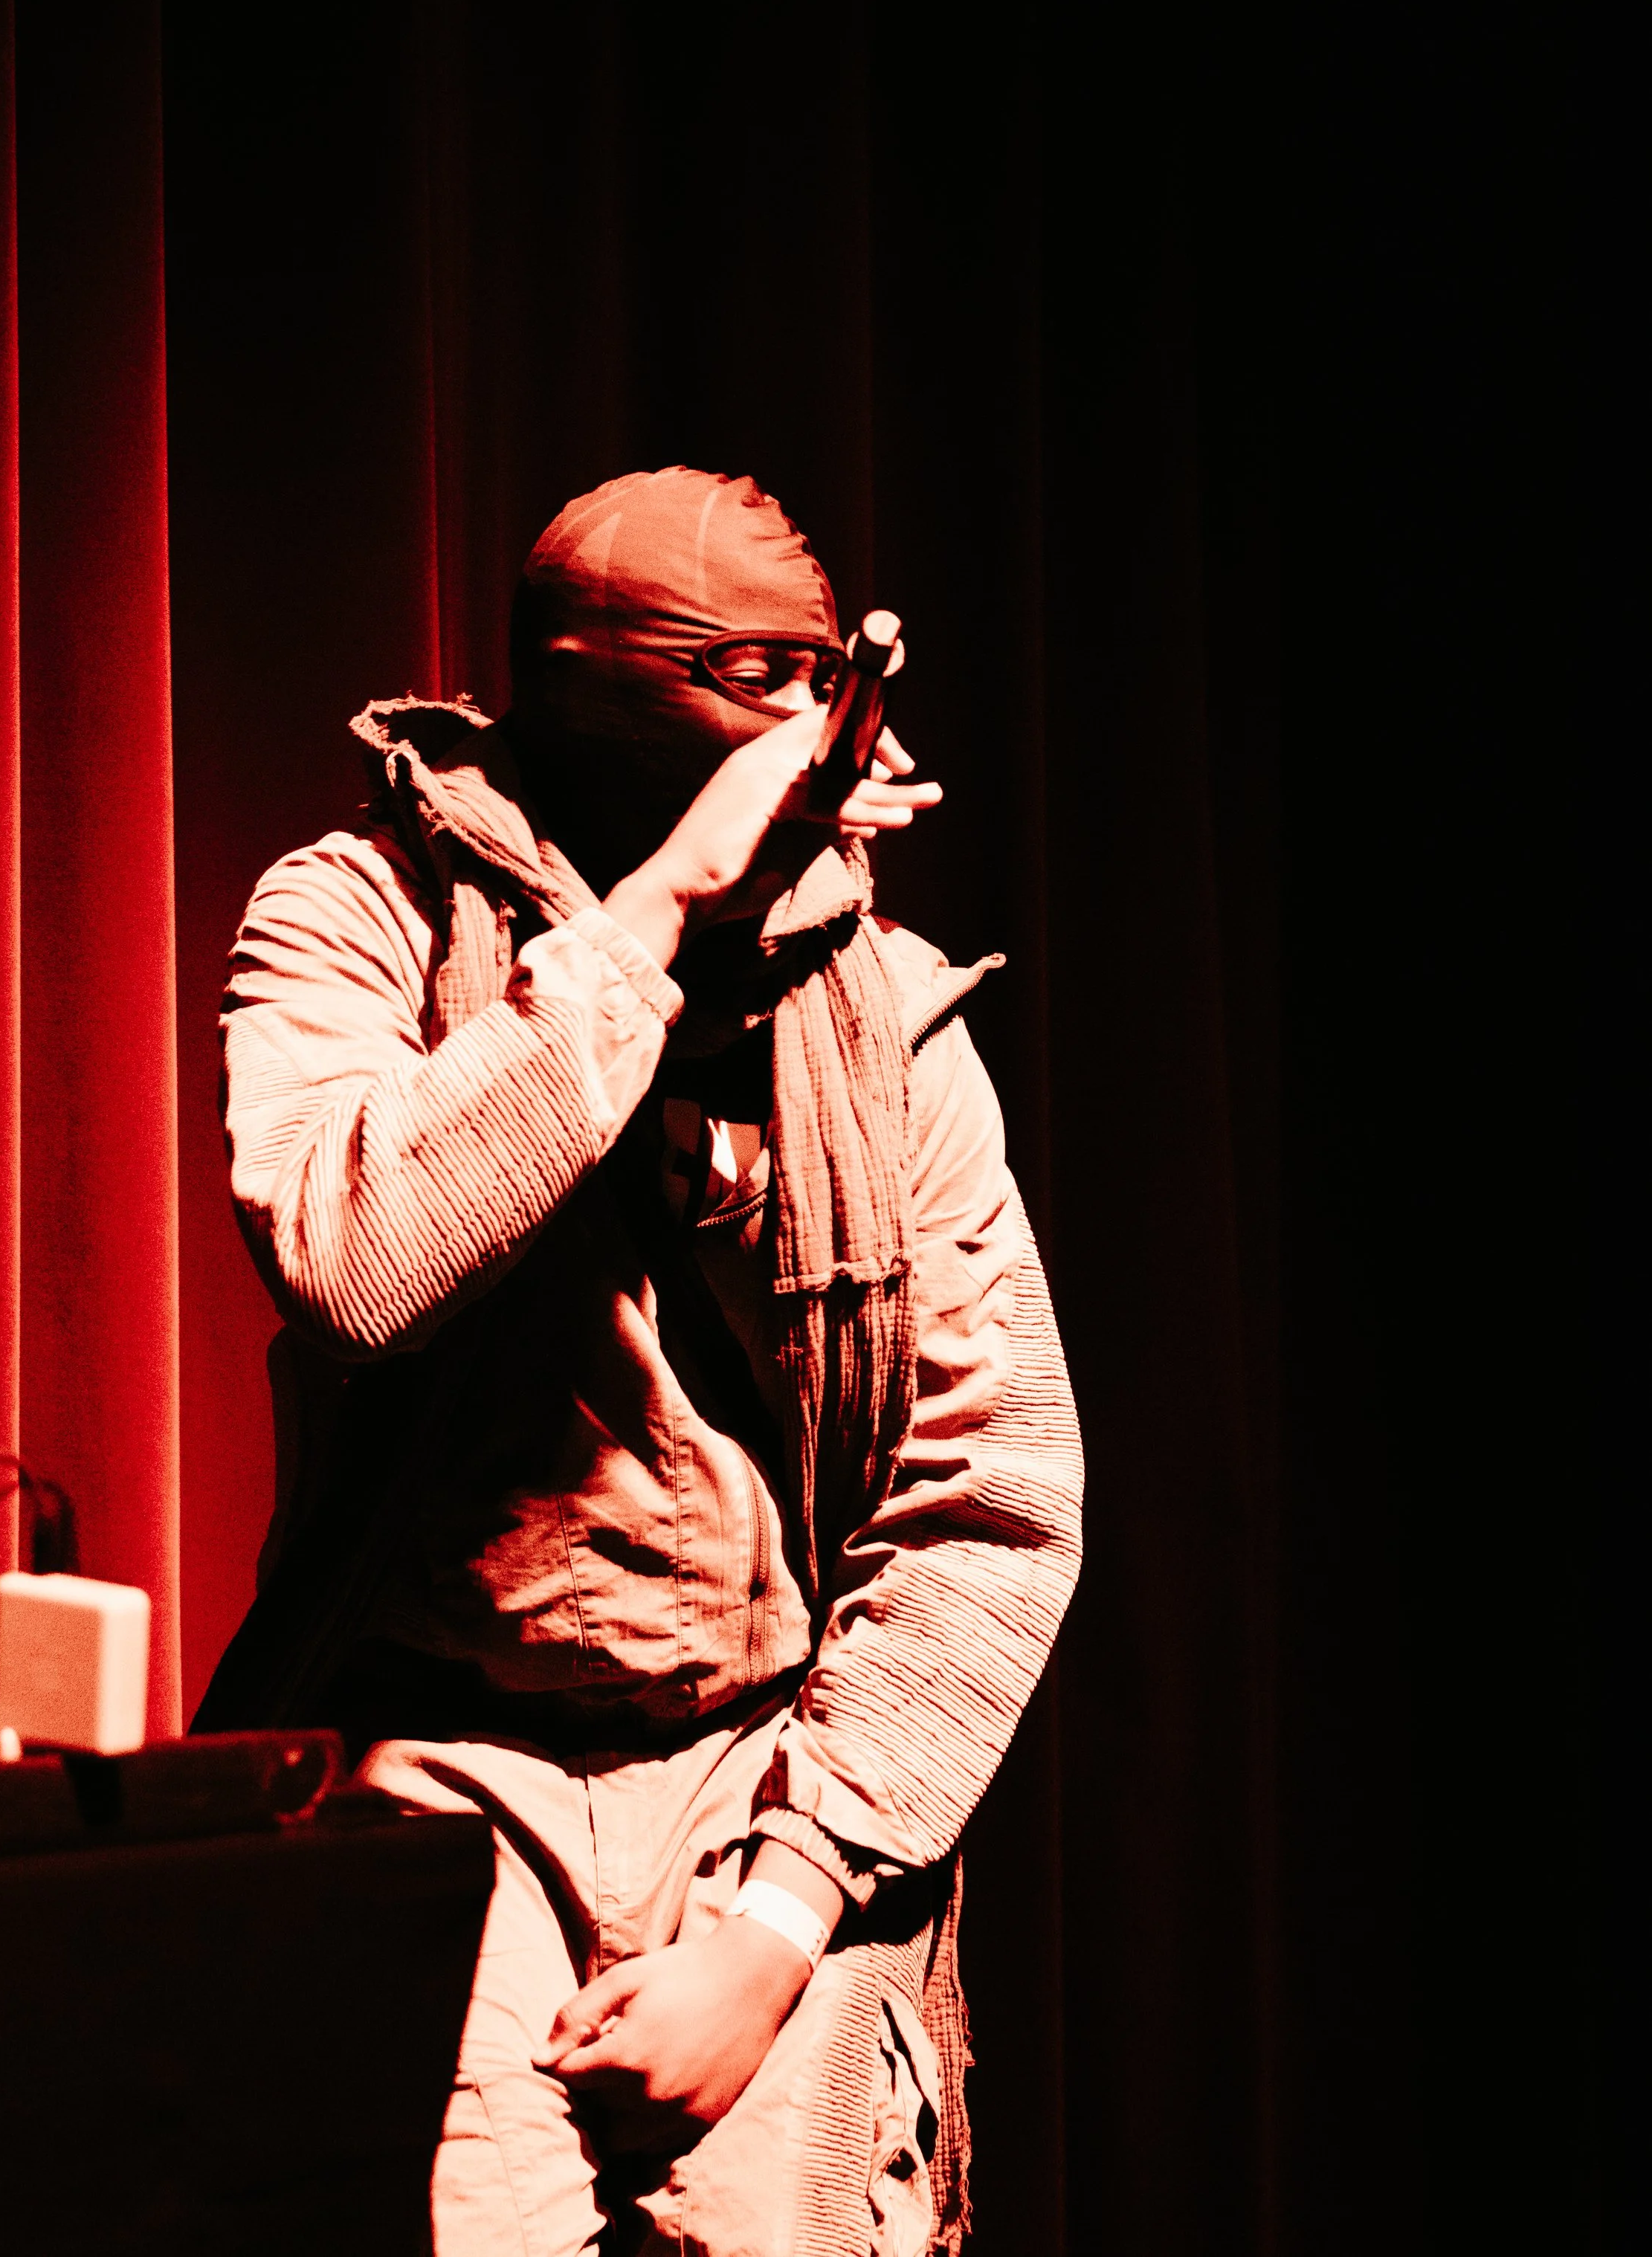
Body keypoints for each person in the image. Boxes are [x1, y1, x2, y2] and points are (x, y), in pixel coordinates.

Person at [195, 468, 1084, 2257]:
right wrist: (661, 909)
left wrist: (774, 1925)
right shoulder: (359, 913)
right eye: (763, 689)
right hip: (441, 1772)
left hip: (767, 1792)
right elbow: (352, 1257)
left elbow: (988, 1500)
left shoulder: (882, 1009)